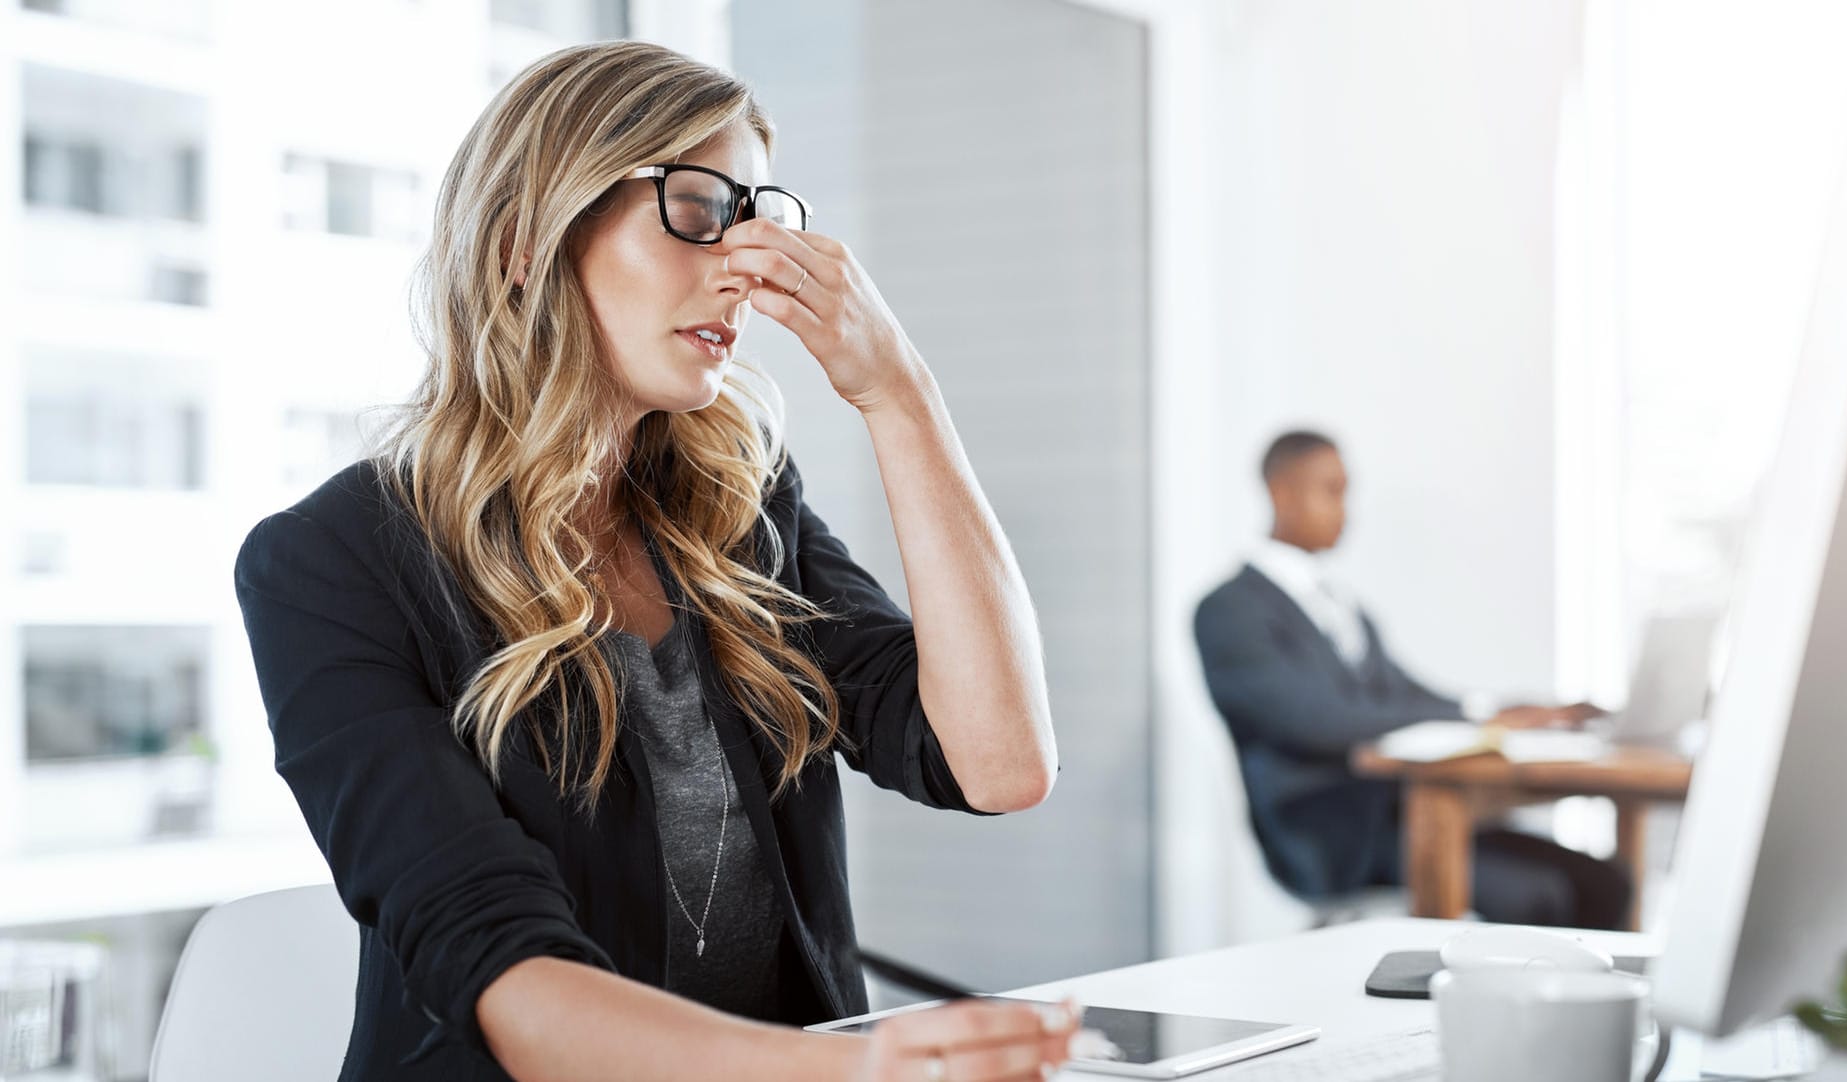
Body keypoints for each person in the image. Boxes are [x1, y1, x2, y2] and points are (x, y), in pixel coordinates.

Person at [234, 41, 1077, 1081]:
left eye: (757, 215)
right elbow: (513, 982)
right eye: (696, 206)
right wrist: (867, 1072)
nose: (744, 264)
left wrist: (899, 393)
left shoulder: (741, 510)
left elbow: (998, 762)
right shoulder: (327, 564)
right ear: (522, 245)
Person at [1192, 430, 1630, 930]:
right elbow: (1319, 722)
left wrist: (1497, 713)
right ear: (1282, 493)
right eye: (1331, 491)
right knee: (1535, 896)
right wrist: (1477, 721)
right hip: (1332, 831)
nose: (1346, 511)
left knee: (1605, 882)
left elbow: (1402, 692)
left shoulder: (1338, 601)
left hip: (1405, 810)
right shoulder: (1230, 612)